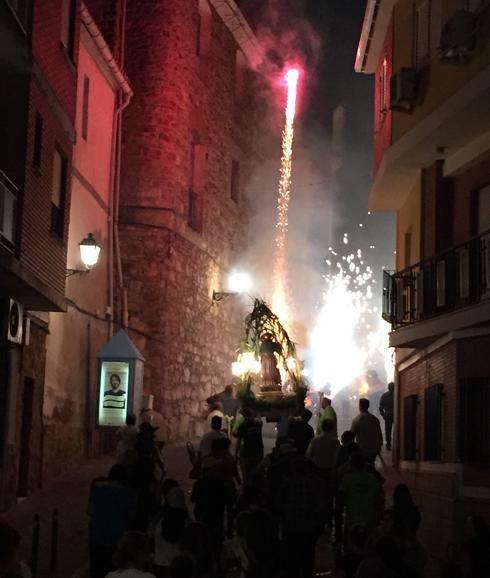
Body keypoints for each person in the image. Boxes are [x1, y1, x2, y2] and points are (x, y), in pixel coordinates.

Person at [88, 465, 135, 578]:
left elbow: (90, 511)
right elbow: (130, 515)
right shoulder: (125, 494)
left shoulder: (98, 491)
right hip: (115, 540)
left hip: (96, 538)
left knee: (97, 571)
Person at [148, 484, 189, 577]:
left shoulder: (158, 520)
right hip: (179, 566)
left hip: (159, 563)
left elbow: (150, 535)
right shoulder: (186, 522)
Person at [306, 419, 340, 528]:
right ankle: (329, 520)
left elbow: (308, 456)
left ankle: (318, 519)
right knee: (329, 498)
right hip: (331, 472)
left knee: (318, 496)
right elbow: (338, 458)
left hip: (318, 471)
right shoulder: (335, 442)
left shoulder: (315, 441)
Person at [339, 452, 384, 534]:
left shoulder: (347, 479)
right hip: (369, 517)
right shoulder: (372, 479)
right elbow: (379, 498)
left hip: (352, 516)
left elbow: (341, 496)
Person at [350, 398, 383, 465]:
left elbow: (351, 435)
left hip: (362, 448)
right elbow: (379, 434)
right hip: (374, 449)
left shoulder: (357, 419)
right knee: (371, 465)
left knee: (363, 466)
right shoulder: (375, 419)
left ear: (360, 406)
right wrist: (379, 447)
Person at [235, 408, 264, 482]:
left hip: (247, 453)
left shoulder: (242, 426)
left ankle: (247, 490)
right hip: (258, 452)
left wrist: (236, 453)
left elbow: (238, 441)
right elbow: (260, 419)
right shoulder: (258, 424)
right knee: (257, 475)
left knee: (247, 476)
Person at [379, 382, 394, 450]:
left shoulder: (385, 395)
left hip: (388, 414)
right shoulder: (397, 394)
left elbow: (380, 407)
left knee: (388, 430)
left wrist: (383, 415)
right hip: (395, 414)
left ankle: (388, 443)